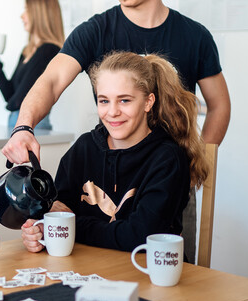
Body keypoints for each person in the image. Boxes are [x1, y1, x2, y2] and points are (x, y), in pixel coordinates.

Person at [2, 0, 231, 262]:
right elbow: (50, 81)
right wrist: (24, 126)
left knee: (173, 280)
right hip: (105, 183)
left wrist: (193, 163)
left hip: (166, 184)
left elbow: (219, 105)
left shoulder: (194, 36)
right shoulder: (95, 31)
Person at [21, 51, 209, 254]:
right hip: (90, 273)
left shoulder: (168, 160)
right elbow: (58, 212)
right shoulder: (83, 149)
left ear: (148, 102)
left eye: (124, 100)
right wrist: (42, 230)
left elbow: (140, 238)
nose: (112, 112)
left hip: (148, 276)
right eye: (104, 101)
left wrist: (72, 226)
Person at [0, 0, 64, 130]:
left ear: (39, 14)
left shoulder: (49, 50)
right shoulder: (27, 51)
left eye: (26, 10)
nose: (22, 16)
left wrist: (11, 105)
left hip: (33, 123)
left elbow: (18, 100)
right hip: (18, 119)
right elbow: (9, 94)